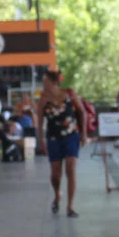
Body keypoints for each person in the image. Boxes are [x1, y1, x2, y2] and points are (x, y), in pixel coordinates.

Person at [35, 70, 88, 218]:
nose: (44, 84)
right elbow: (40, 123)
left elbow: (82, 112)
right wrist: (41, 141)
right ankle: (57, 193)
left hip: (71, 136)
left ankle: (70, 207)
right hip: (53, 138)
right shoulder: (43, 99)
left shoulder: (69, 94)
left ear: (54, 82)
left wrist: (84, 133)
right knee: (55, 175)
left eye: (46, 81)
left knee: (70, 168)